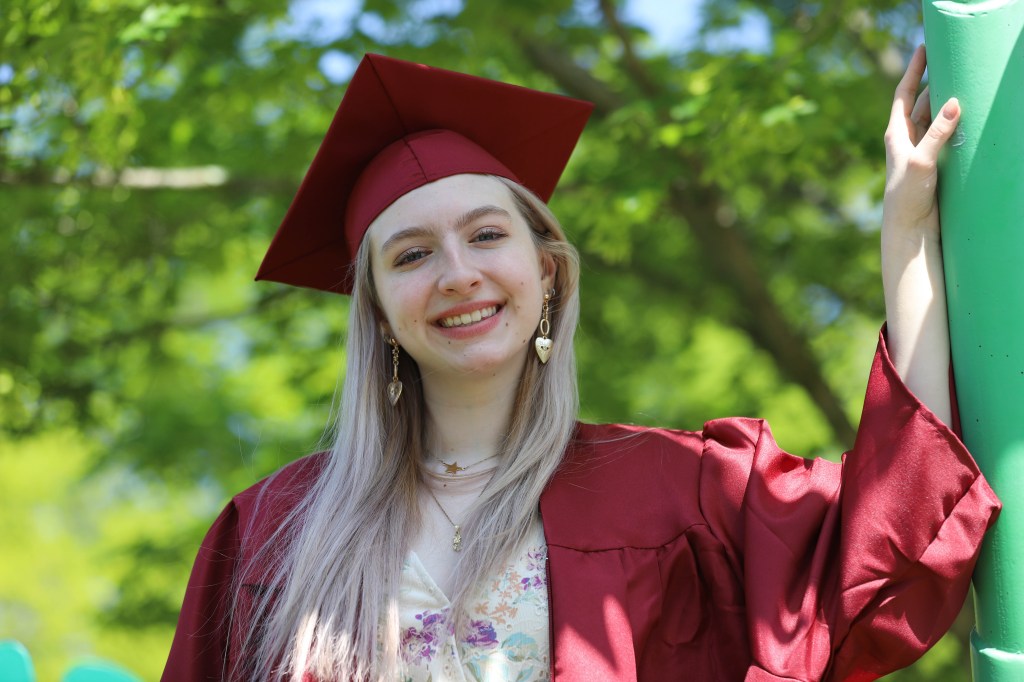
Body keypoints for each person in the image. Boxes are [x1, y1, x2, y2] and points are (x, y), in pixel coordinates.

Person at [162, 48, 1000, 682]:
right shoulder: (274, 530)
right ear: (377, 310)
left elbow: (887, 546)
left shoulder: (680, 490)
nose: (458, 272)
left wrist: (906, 236)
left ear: (548, 273)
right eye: (411, 254)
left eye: (487, 234)